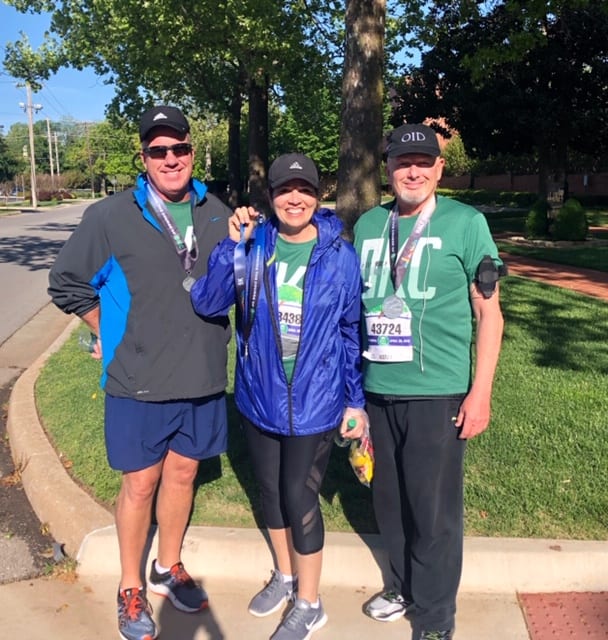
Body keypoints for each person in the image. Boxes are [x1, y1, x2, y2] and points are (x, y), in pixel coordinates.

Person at [48, 105, 233, 640]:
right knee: (140, 482)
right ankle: (131, 585)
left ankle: (166, 565)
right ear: (144, 158)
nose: (170, 159)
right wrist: (106, 328)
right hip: (138, 377)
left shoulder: (215, 210)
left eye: (179, 148)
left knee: (182, 474)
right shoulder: (110, 216)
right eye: (158, 151)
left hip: (201, 374)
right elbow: (66, 281)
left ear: (192, 153)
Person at [191, 153, 367, 640]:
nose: (295, 198)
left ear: (318, 195)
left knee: (299, 496)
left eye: (305, 189)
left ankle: (310, 604)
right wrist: (231, 247)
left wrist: (356, 403)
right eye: (285, 190)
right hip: (258, 396)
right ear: (270, 196)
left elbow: (352, 333)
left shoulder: (339, 256)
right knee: (269, 492)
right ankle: (286, 577)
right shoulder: (254, 244)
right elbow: (206, 300)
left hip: (316, 402)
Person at [352, 124, 505, 640]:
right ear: (388, 170)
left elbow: (490, 315)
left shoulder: (466, 223)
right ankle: (400, 587)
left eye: (423, 161)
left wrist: (479, 391)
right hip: (377, 386)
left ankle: (436, 617)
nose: (412, 171)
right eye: (402, 162)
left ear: (440, 167)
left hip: (437, 390)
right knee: (389, 500)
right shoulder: (369, 225)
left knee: (433, 510)